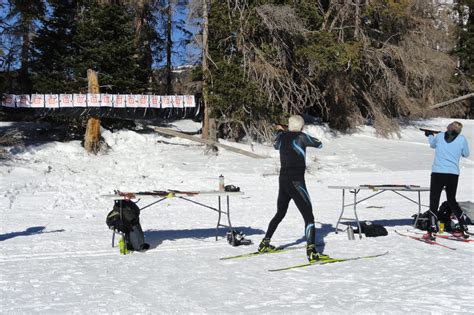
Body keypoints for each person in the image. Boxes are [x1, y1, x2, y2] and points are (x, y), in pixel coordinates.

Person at [258, 115, 328, 262]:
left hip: (283, 181)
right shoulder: (301, 137)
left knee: (280, 213)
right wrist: (298, 131)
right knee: (309, 217)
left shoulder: (282, 137)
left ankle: (265, 243)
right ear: (302, 127)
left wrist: (282, 131)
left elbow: (276, 144)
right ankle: (312, 252)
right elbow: (319, 144)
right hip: (297, 182)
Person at [425, 121, 470, 240]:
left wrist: (430, 135)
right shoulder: (462, 139)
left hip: (438, 173)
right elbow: (466, 154)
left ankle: (432, 229)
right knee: (452, 200)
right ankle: (463, 227)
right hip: (453, 174)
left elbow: (432, 144)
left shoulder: (439, 136)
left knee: (434, 200)